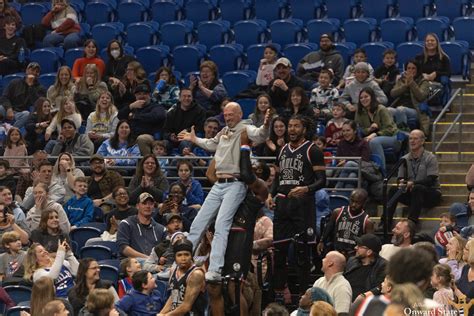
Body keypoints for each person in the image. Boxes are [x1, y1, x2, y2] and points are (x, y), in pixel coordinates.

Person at [177, 102, 270, 281]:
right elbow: (211, 144)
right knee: (198, 223)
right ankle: (179, 266)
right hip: (218, 184)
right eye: (225, 115)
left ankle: (215, 270)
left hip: (235, 184)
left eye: (231, 115)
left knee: (221, 225)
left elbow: (260, 135)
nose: (227, 118)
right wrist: (194, 139)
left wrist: (266, 125)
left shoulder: (245, 128)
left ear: (240, 114)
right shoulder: (224, 131)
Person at [272, 115, 326, 297]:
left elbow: (322, 180)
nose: (292, 129)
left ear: (304, 128)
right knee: (279, 253)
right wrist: (271, 196)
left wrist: (306, 188)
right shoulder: (281, 150)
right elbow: (277, 179)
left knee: (302, 254)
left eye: (296, 126)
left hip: (302, 206)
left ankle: (304, 296)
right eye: (290, 126)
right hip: (282, 205)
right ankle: (279, 293)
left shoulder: (313, 150)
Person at [382, 129, 441, 228]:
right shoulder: (404, 159)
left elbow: (431, 180)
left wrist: (413, 183)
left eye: (415, 139)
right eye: (410, 139)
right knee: (393, 190)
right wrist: (400, 182)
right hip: (412, 193)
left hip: (430, 193)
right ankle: (385, 222)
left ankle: (411, 224)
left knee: (418, 188)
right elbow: (400, 178)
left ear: (422, 141)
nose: (412, 141)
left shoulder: (430, 157)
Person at [318, 189, 374, 258]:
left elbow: (370, 244)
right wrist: (322, 241)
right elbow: (328, 228)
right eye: (352, 201)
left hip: (354, 256)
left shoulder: (367, 221)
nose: (353, 205)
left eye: (357, 202)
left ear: (364, 203)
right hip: (337, 252)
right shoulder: (337, 212)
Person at [355, 87, 399, 171]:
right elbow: (359, 129)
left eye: (366, 96)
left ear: (372, 97)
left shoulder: (381, 109)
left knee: (374, 141)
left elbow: (390, 129)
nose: (363, 99)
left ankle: (381, 171)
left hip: (393, 136)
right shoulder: (359, 111)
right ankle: (364, 170)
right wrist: (369, 130)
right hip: (370, 137)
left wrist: (375, 134)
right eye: (361, 98)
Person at [158, 239, 206, 315]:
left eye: (186, 254)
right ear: (175, 257)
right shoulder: (173, 270)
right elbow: (174, 296)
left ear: (191, 256)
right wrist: (161, 313)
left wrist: (166, 315)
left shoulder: (196, 274)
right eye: (179, 255)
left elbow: (186, 306)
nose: (183, 258)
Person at [117, 83, 167, 155]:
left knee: (141, 139)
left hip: (150, 137)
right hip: (131, 136)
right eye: (139, 94)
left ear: (149, 95)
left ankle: (148, 162)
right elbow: (120, 116)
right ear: (135, 96)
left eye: (145, 94)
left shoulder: (156, 106)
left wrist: (135, 117)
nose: (142, 96)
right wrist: (130, 106)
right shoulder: (132, 107)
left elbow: (159, 116)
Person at [117, 192, 166, 259]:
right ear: (137, 206)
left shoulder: (161, 229)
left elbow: (165, 252)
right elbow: (124, 249)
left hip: (153, 266)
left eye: (151, 204)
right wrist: (148, 259)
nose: (148, 206)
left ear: (154, 207)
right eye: (144, 203)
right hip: (131, 263)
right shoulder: (126, 224)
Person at [390, 59, 430, 135]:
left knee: (400, 109)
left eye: (413, 68)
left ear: (418, 70)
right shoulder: (401, 80)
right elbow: (393, 93)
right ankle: (390, 134)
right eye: (408, 68)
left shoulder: (424, 81)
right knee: (387, 110)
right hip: (400, 107)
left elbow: (421, 97)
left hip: (416, 110)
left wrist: (412, 83)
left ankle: (404, 136)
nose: (411, 70)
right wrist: (405, 86)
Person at [0, 62, 45, 128]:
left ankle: (11, 132)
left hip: (22, 113)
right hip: (9, 110)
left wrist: (30, 87)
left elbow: (36, 104)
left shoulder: (41, 88)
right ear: (26, 71)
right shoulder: (15, 82)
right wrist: (9, 109)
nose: (34, 73)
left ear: (38, 74)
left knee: (26, 114)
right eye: (32, 70)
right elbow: (4, 97)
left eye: (37, 71)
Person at [344, 234, 387, 300]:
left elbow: (379, 288)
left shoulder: (383, 266)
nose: (355, 247)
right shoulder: (352, 261)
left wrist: (362, 297)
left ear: (369, 252)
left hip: (365, 303)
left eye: (360, 246)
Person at [313, 251, 352, 315]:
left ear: (330, 263)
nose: (322, 260)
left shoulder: (342, 286)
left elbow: (342, 313)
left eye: (325, 258)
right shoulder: (319, 281)